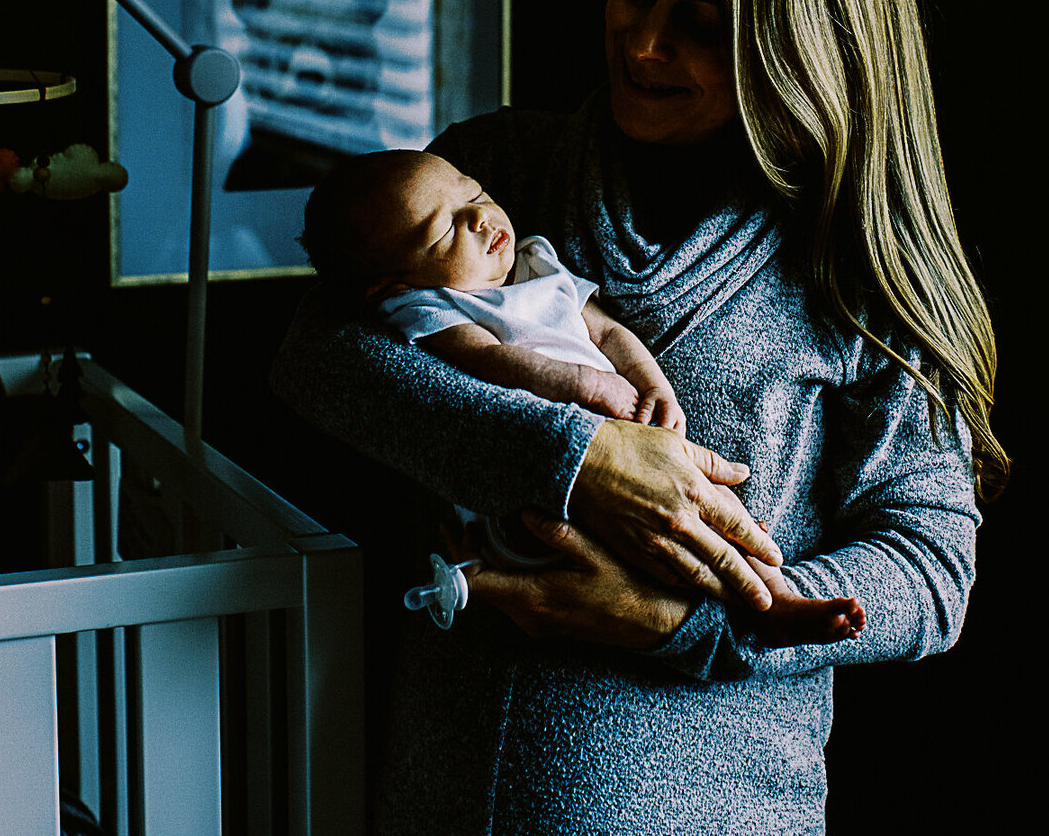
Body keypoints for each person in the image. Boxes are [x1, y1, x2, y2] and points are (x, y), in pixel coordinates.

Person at [272, 0, 1006, 836]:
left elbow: (932, 570)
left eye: (700, 26)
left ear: (798, 46)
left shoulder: (850, 270)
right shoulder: (497, 176)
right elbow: (322, 358)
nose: (644, 42)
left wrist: (698, 625)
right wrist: (583, 462)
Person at [297, 146, 865, 642]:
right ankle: (479, 576)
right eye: (444, 230)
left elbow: (608, 332)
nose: (477, 217)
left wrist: (651, 383)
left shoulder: (537, 262)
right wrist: (585, 387)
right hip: (535, 489)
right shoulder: (432, 307)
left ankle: (779, 603)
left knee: (719, 522)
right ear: (394, 283)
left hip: (639, 447)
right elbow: (490, 361)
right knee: (631, 540)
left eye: (476, 193)